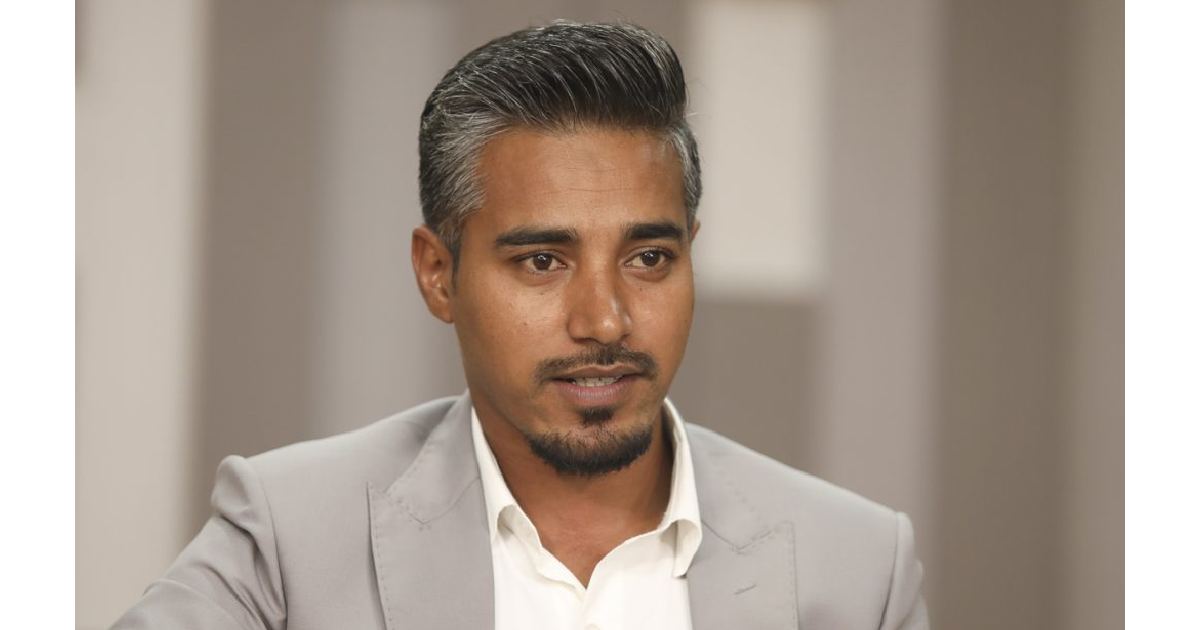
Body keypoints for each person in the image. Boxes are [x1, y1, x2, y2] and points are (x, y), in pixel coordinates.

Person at [112, 21, 928, 630]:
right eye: (543, 261)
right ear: (439, 273)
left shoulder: (857, 568)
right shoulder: (290, 534)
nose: (605, 319)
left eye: (648, 257)